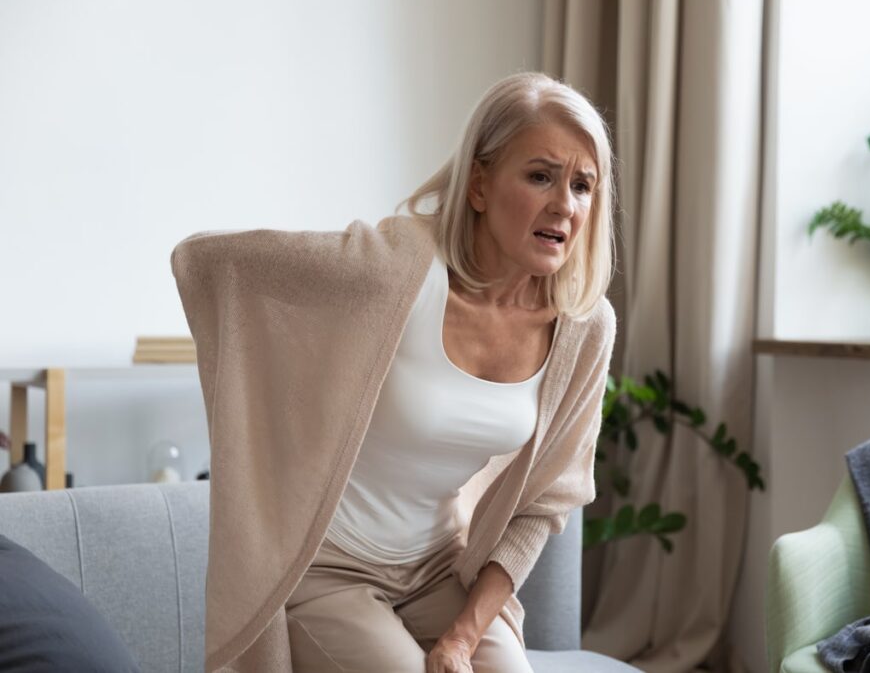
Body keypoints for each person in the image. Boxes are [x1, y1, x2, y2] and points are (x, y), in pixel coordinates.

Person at [170, 71, 617, 673]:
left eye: (583, 186)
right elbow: (207, 263)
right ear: (479, 185)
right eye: (541, 176)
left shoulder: (584, 329)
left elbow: (541, 506)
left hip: (438, 570)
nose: (565, 204)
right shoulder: (395, 273)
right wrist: (275, 440)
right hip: (328, 567)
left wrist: (462, 638)